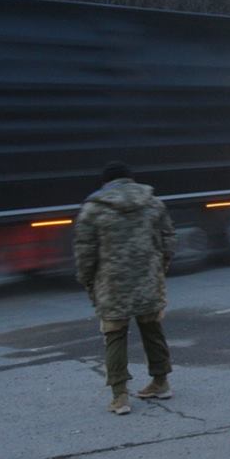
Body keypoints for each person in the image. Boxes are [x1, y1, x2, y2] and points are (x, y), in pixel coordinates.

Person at [74, 161, 177, 415]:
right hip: (147, 278)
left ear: (105, 183)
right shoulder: (153, 202)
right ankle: (161, 382)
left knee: (115, 335)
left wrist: (87, 279)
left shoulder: (93, 209)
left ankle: (120, 398)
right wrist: (160, 268)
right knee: (152, 329)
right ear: (131, 180)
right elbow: (169, 239)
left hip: (111, 283)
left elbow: (85, 251)